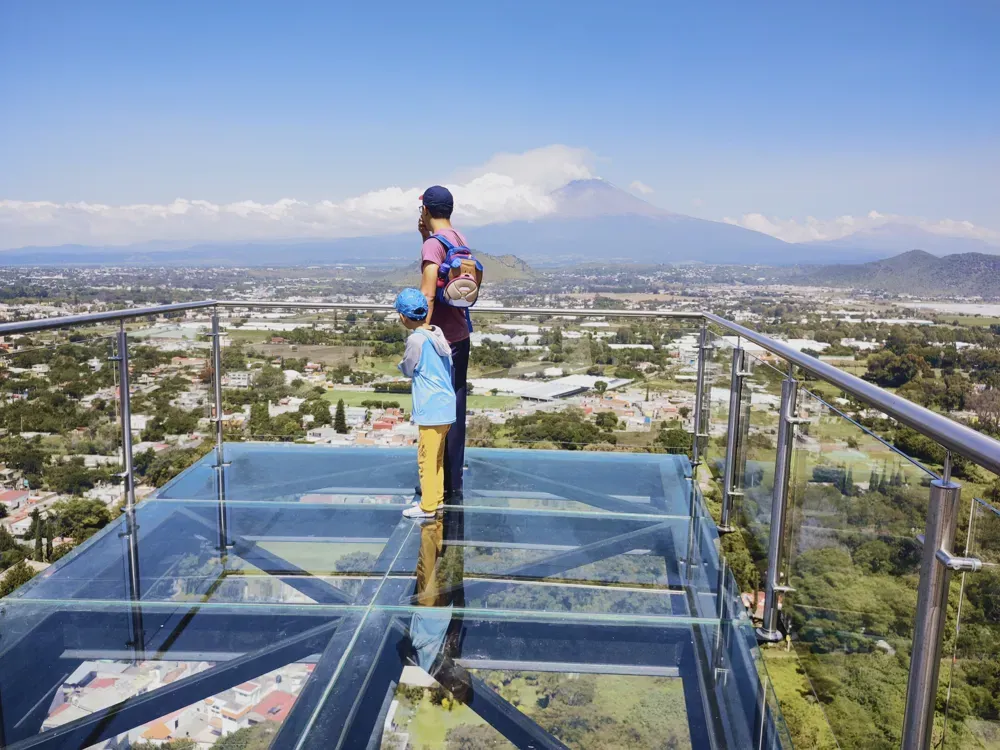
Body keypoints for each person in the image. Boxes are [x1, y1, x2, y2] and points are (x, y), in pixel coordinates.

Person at [417, 185, 471, 499]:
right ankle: (454, 479)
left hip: (439, 341)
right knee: (457, 405)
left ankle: (433, 486)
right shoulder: (458, 239)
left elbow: (427, 293)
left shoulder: (433, 246)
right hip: (461, 334)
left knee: (434, 411)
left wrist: (420, 335)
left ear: (425, 209)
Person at [395, 288, 456, 520]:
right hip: (445, 405)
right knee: (437, 456)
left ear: (403, 316)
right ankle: (436, 498)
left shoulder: (416, 339)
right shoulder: (436, 333)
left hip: (430, 408)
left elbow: (409, 367)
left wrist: (400, 367)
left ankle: (428, 506)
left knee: (426, 458)